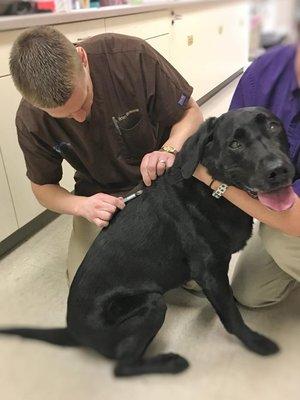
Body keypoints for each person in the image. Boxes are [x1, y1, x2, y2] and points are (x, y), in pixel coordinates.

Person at [10, 26, 203, 283]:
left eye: (83, 101)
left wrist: (169, 148)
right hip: (99, 196)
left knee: (199, 275)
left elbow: (192, 112)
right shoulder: (30, 120)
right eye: (66, 117)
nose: (79, 118)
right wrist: (82, 206)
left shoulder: (131, 57)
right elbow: (43, 187)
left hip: (161, 178)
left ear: (82, 59)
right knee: (89, 283)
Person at [194, 43, 300, 308]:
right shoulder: (265, 71)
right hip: (291, 201)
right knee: (252, 292)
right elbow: (230, 141)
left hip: (296, 217)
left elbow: (295, 221)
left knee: (281, 240)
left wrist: (210, 180)